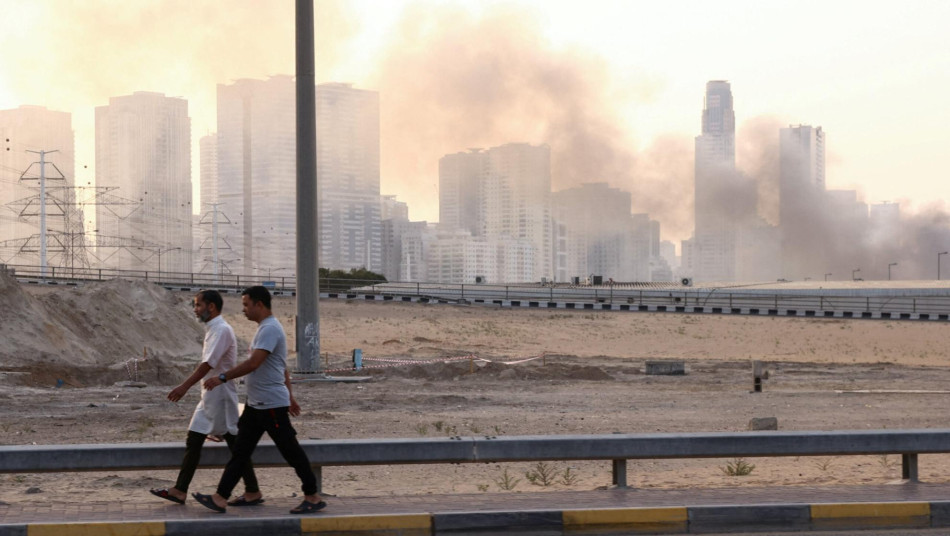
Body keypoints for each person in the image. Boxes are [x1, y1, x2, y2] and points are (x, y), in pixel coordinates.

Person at [192, 285, 326, 515]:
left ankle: (312, 496)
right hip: (257, 405)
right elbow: (281, 366)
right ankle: (222, 497)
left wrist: (222, 377)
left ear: (259, 304)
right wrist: (291, 396)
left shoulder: (270, 329)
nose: (243, 309)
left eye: (246, 304)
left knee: (290, 451)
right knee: (240, 453)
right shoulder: (264, 328)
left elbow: (254, 363)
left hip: (270, 406)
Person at [149, 289, 263, 507]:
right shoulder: (213, 329)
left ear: (211, 307)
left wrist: (184, 386)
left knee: (233, 443)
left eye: (198, 305)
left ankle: (252, 490)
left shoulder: (221, 330)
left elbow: (207, 365)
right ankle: (181, 490)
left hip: (220, 396)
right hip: (211, 395)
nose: (195, 309)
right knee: (197, 440)